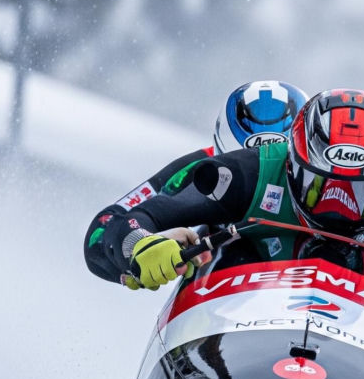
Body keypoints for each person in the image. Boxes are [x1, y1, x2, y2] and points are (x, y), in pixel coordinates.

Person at [86, 89, 364, 335]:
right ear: (292, 162)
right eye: (323, 186)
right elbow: (112, 225)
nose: (340, 208)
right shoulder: (249, 172)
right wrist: (140, 247)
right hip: (237, 325)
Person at [84, 80, 307, 288]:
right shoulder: (198, 171)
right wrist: (140, 246)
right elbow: (104, 229)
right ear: (223, 153)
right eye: (246, 165)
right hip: (224, 283)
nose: (259, 174)